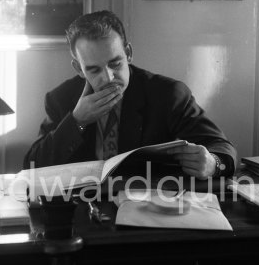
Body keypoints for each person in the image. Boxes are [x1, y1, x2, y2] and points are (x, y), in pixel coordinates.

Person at [24, 10, 236, 179]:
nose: (108, 78)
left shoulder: (168, 94)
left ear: (129, 53)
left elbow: (221, 147)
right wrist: (77, 120)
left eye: (115, 63)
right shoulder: (61, 98)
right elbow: (32, 166)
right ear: (79, 69)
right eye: (94, 70)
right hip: (84, 208)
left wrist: (213, 163)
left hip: (149, 205)